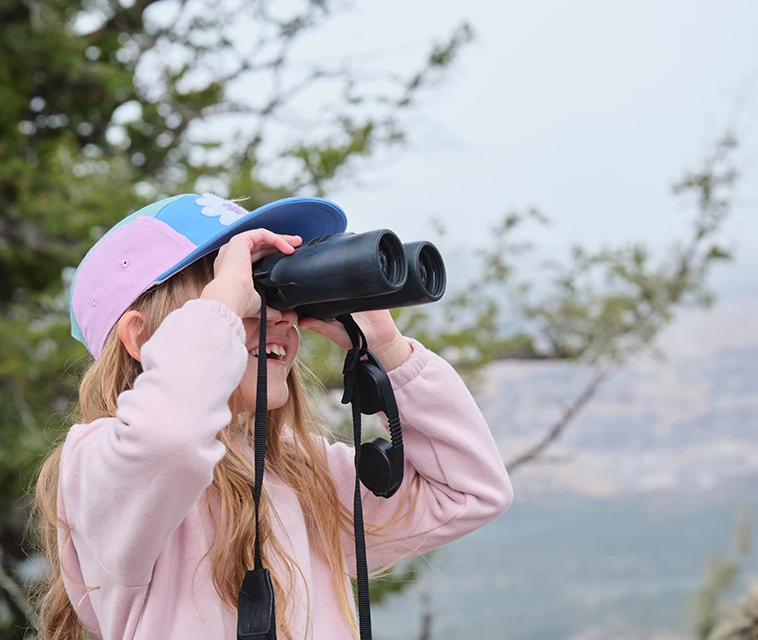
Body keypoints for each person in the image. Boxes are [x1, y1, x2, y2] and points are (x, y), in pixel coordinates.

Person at [33, 192, 512, 640]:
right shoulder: (99, 467)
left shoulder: (302, 475)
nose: (279, 315)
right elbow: (168, 437)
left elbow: (470, 492)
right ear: (140, 339)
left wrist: (388, 349)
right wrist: (227, 298)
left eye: (278, 291)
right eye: (246, 294)